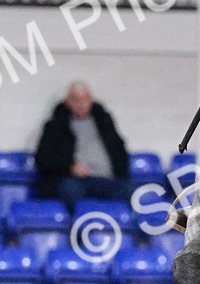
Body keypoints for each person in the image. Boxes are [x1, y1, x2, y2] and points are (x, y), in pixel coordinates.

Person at [35, 82, 132, 210]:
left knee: (131, 191)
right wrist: (70, 168)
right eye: (76, 100)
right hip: (74, 181)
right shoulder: (55, 126)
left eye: (84, 99)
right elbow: (43, 159)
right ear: (67, 101)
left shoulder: (105, 123)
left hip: (107, 179)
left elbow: (120, 152)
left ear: (90, 100)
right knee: (69, 190)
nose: (80, 104)